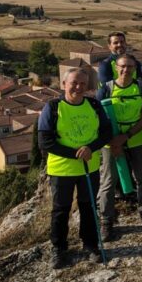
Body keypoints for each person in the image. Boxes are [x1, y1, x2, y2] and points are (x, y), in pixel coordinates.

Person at [38, 68, 112, 269]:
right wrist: (75, 154)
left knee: (88, 207)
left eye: (82, 84)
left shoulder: (94, 105)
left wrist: (91, 148)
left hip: (90, 167)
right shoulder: (53, 107)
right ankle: (59, 249)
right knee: (61, 210)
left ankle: (90, 245)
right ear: (64, 84)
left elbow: (106, 132)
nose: (78, 87)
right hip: (62, 169)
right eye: (74, 83)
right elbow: (45, 141)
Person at [97, 54, 142, 240]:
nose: (126, 70)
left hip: (136, 139)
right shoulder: (106, 89)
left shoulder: (141, 86)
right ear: (116, 67)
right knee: (108, 181)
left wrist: (127, 136)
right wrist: (113, 141)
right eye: (123, 66)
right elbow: (98, 117)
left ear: (135, 68)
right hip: (111, 142)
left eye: (130, 66)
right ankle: (106, 221)